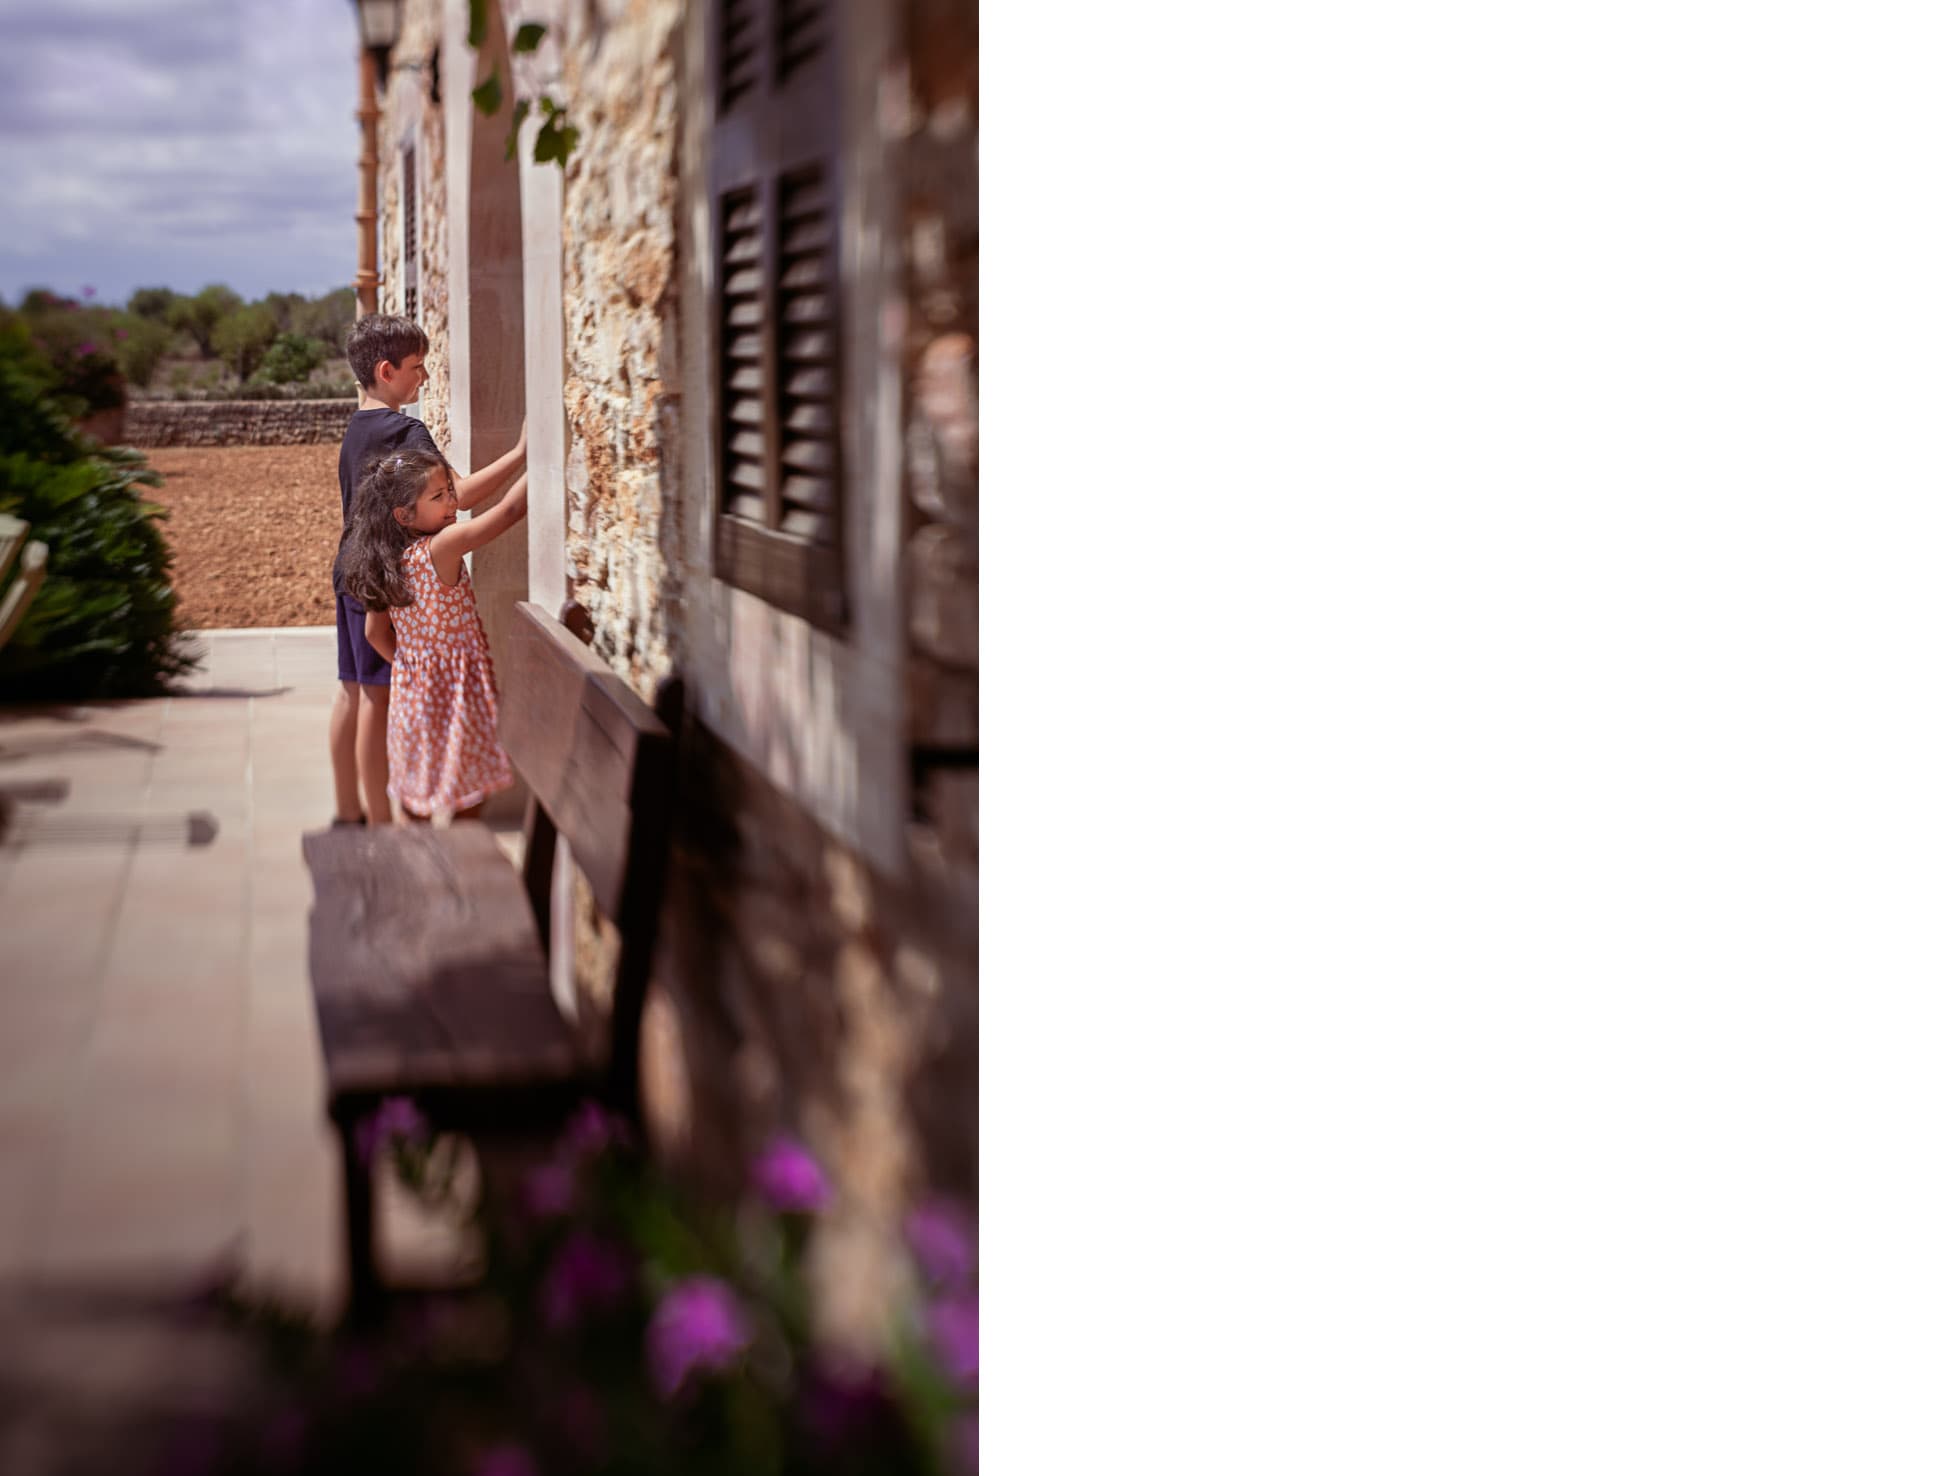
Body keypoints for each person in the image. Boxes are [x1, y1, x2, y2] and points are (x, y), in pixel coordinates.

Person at [328, 314, 526, 825]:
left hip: (353, 570)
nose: (425, 376)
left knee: (353, 691)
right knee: (378, 699)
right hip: (389, 579)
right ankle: (382, 823)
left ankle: (350, 808)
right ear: (387, 370)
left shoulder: (355, 428)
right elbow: (462, 492)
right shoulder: (405, 429)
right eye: (418, 367)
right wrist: (522, 455)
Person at [339, 445, 529, 823]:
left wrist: (413, 666)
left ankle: (419, 856)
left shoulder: (386, 562)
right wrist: (535, 451)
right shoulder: (443, 546)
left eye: (450, 492)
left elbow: (375, 633)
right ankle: (458, 854)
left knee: (416, 797)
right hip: (458, 696)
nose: (452, 502)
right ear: (404, 514)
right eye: (438, 496)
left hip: (413, 698)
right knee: (467, 796)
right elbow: (509, 511)